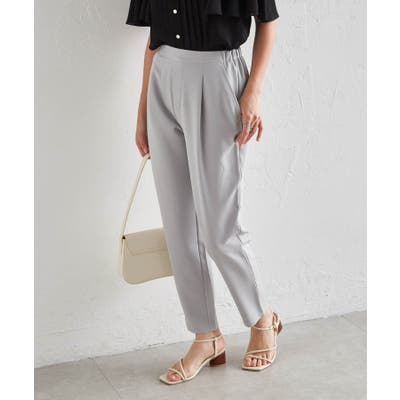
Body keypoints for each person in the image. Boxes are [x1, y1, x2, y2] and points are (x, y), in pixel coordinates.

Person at [126, 0, 282, 385]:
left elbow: (267, 21)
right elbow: (154, 38)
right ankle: (205, 335)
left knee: (219, 227)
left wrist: (253, 91)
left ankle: (262, 319)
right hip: (164, 77)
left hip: (218, 78)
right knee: (178, 227)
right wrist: (143, 107)